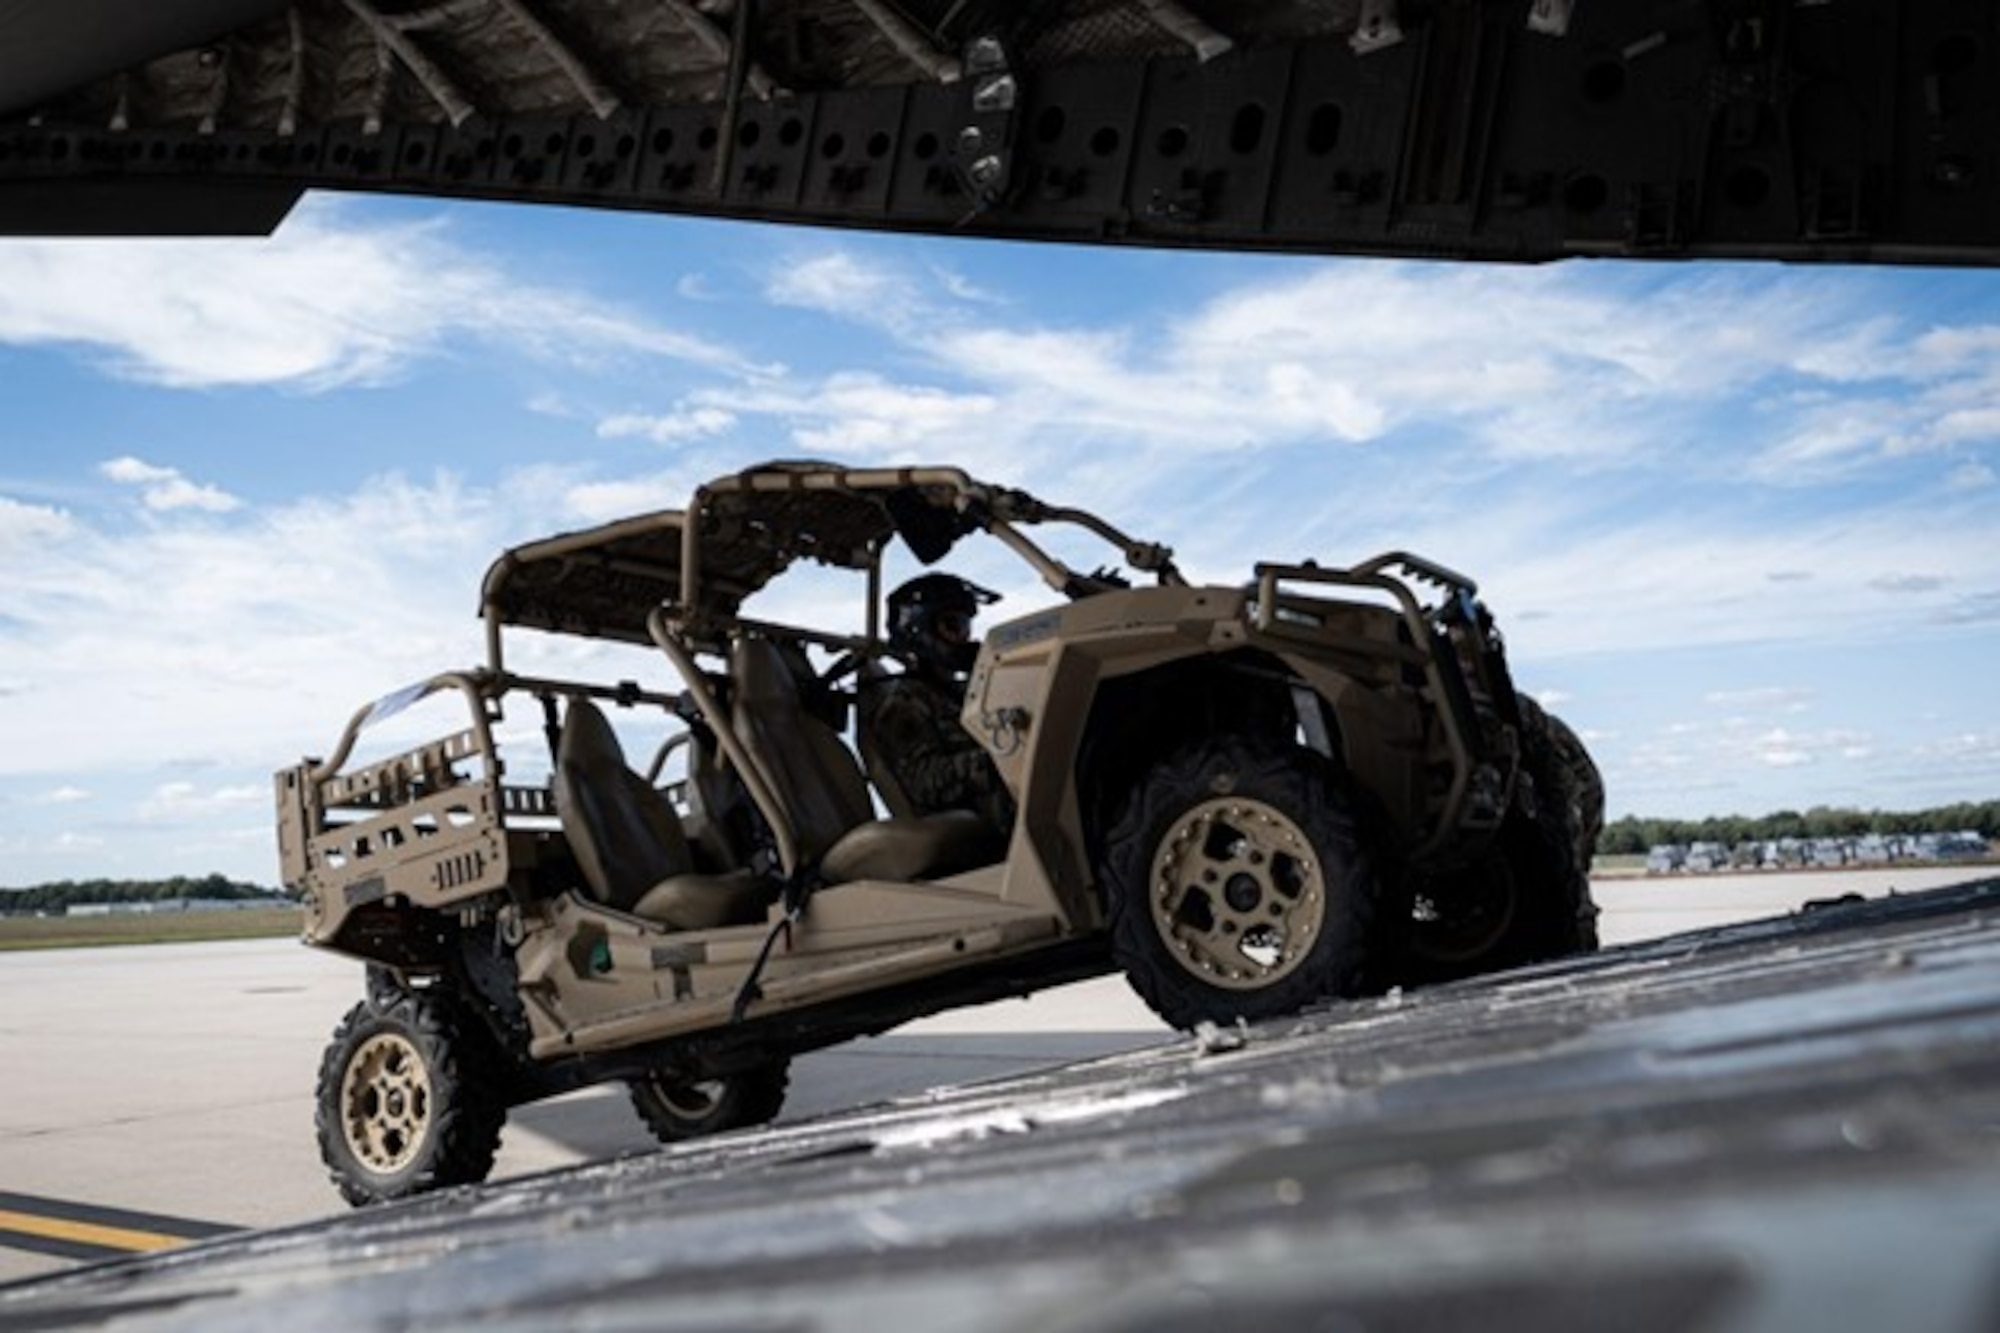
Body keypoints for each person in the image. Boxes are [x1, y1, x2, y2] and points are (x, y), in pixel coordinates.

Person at [859, 573, 1015, 837]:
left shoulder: (959, 692)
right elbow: (924, 782)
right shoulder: (903, 704)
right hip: (988, 821)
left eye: (966, 626)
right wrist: (1001, 758)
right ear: (918, 630)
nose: (965, 638)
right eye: (953, 625)